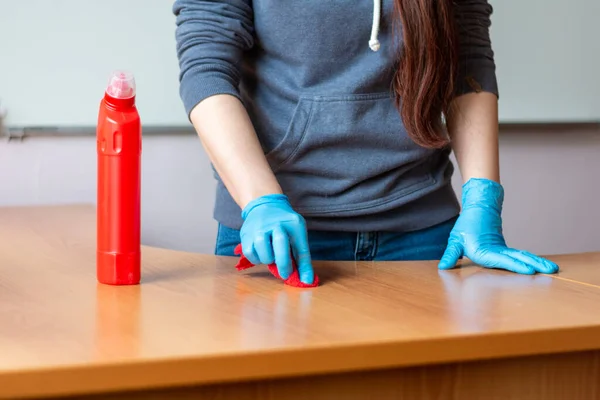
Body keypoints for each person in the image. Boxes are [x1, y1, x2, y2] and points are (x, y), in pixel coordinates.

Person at [172, 0, 559, 285]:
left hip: (421, 232)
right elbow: (206, 69)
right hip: (280, 235)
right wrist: (261, 201)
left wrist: (482, 200)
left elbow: (468, 60)